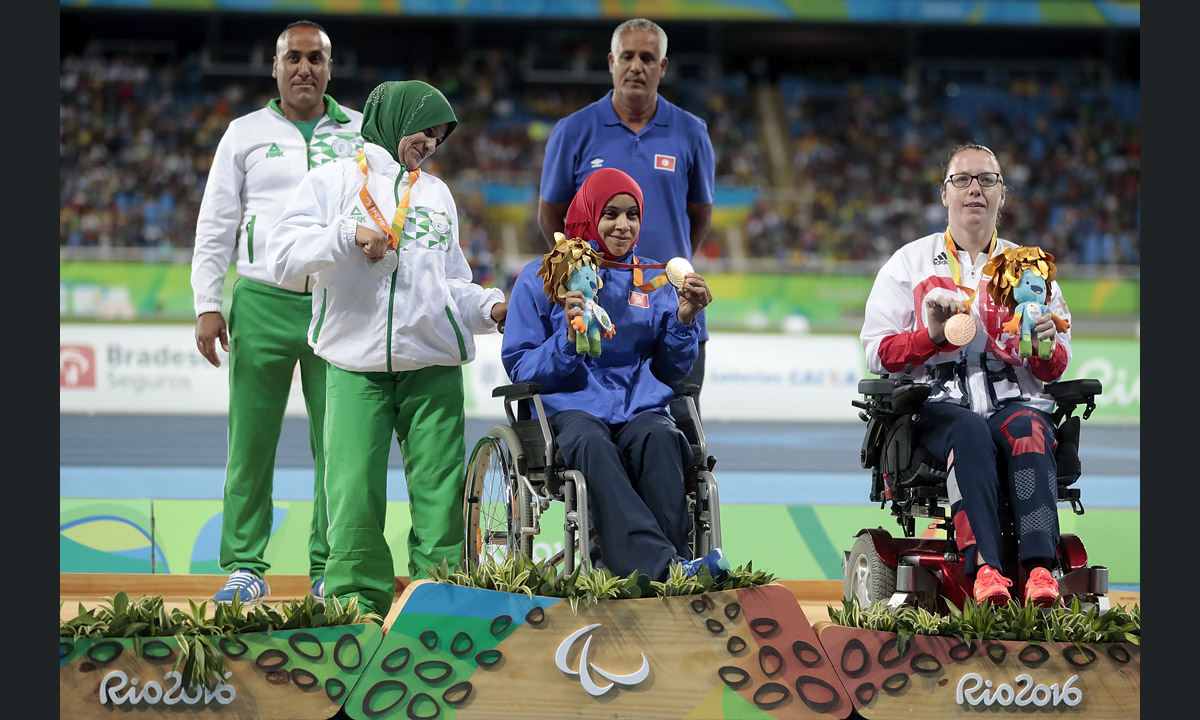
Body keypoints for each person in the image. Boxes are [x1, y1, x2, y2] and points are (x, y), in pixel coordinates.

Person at [268, 80, 508, 620]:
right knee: (351, 499)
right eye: (424, 129)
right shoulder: (330, 181)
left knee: (441, 504)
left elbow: (451, 283)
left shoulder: (437, 194)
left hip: (435, 369)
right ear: (396, 117)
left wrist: (490, 309)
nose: (430, 143)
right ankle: (356, 611)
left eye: (439, 137)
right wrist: (346, 234)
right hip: (355, 368)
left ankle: (440, 608)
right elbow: (280, 256)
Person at [190, 20, 363, 606]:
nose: (304, 68)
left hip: (334, 305)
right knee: (251, 443)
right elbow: (216, 222)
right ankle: (244, 565)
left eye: (316, 58)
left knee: (335, 446)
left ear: (329, 69)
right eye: (294, 58)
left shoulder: (360, 134)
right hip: (261, 301)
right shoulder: (244, 134)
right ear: (275, 66)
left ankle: (327, 566)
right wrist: (208, 304)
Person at [860, 143, 1071, 608]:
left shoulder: (1029, 268)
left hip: (1014, 404)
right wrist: (931, 337)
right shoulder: (908, 264)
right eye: (963, 179)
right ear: (945, 194)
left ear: (1002, 195)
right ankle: (987, 572)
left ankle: (1040, 570)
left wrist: (1042, 345)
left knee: (1030, 428)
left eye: (987, 179)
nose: (975, 188)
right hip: (940, 410)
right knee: (969, 429)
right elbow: (876, 352)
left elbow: (1057, 365)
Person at [504, 167, 727, 583]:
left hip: (637, 409)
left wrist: (685, 319)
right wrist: (568, 341)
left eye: (632, 215)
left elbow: (672, 371)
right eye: (610, 214)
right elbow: (520, 367)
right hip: (568, 408)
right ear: (588, 215)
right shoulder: (542, 279)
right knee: (591, 441)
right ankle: (666, 569)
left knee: (662, 438)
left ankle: (661, 562)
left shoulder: (653, 279)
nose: (623, 226)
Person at [537, 18, 715, 406]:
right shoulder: (573, 130)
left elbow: (699, 214)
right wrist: (577, 274)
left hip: (671, 313)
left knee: (680, 441)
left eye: (648, 58)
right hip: (598, 314)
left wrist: (667, 271)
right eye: (628, 56)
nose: (637, 66)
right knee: (596, 429)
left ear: (663, 67)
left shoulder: (691, 131)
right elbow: (551, 214)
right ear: (611, 62)